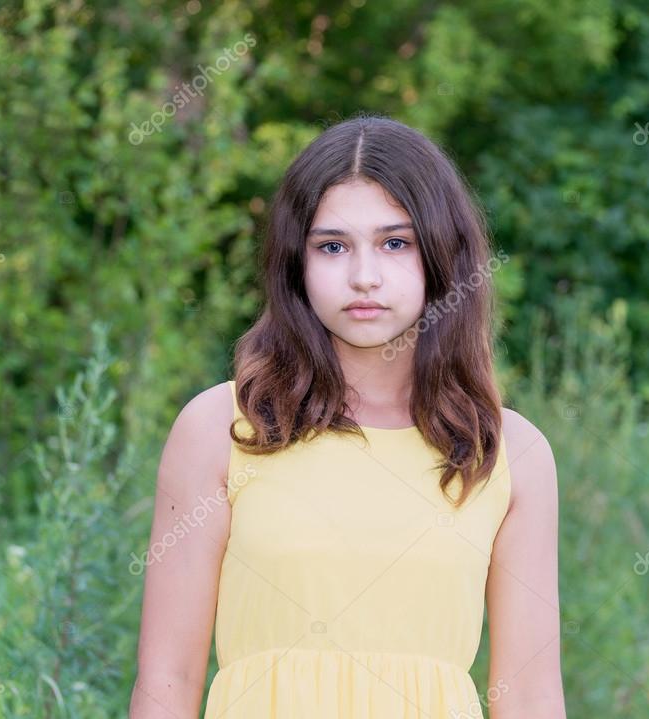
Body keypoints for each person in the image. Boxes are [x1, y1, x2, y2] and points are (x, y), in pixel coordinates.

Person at [129, 115, 566, 718]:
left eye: (395, 243)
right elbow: (167, 681)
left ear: (442, 255)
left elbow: (532, 697)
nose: (364, 276)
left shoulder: (507, 451)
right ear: (295, 264)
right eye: (332, 246)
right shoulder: (222, 428)